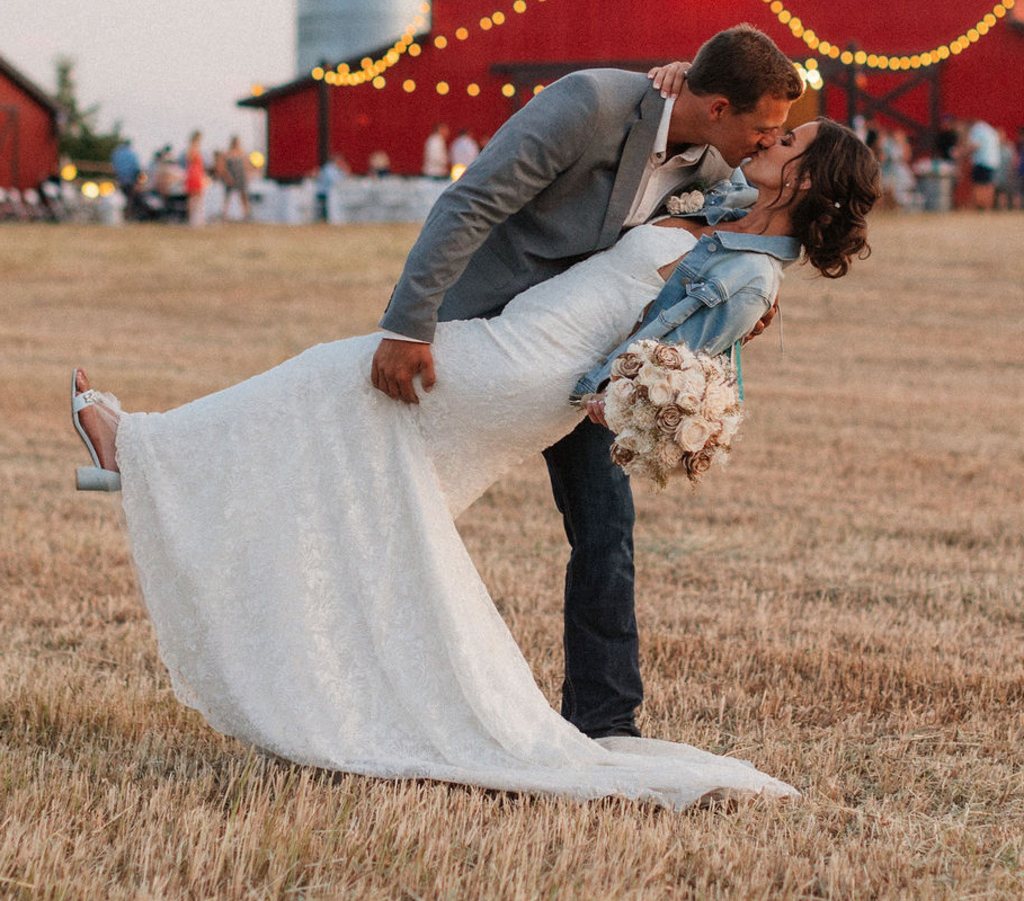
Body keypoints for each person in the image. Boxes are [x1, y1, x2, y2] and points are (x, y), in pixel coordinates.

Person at [70, 116, 878, 809]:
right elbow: (696, 136)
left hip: (523, 366)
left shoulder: (747, 276)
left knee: (331, 379)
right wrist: (669, 83)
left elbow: (656, 366)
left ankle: (137, 448)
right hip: (524, 337)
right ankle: (154, 462)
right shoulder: (732, 205)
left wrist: (608, 393)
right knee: (348, 452)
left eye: (793, 138)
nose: (776, 135)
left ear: (808, 178)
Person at [375, 25, 803, 740]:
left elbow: (744, 232)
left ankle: (605, 718)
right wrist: (408, 324)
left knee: (606, 529)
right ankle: (390, 686)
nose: (765, 145)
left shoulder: (713, 163)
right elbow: (469, 201)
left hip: (586, 366)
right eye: (763, 129)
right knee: (407, 503)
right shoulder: (592, 104)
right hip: (483, 339)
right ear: (720, 107)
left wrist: (754, 293)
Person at [965, 117, 1000, 210]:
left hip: (982, 161)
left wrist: (964, 153)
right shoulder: (990, 130)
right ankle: (988, 206)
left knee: (979, 184)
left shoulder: (977, 129)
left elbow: (975, 145)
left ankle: (980, 206)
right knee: (989, 184)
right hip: (992, 161)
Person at [223, 136, 252, 221]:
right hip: (231, 177)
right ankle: (225, 213)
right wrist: (228, 176)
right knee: (227, 195)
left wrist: (247, 176)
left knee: (243, 195)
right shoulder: (228, 153)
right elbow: (225, 167)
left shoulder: (242, 152)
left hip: (241, 176)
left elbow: (246, 165)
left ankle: (246, 213)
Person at [183, 132, 207, 228]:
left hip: (196, 173)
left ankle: (196, 219)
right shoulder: (193, 149)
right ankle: (194, 219)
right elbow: (190, 159)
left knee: (196, 197)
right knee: (194, 197)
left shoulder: (193, 149)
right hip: (195, 174)